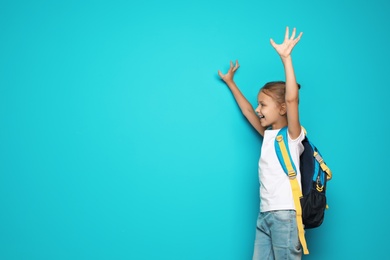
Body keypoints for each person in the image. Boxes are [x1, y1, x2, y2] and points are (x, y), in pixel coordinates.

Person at [218, 27, 305, 260]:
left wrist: (286, 58)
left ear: (283, 109)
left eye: (263, 105)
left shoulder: (293, 135)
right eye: (259, 104)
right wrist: (230, 82)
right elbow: (247, 111)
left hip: (285, 215)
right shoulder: (269, 135)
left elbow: (292, 98)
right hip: (265, 214)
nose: (258, 109)